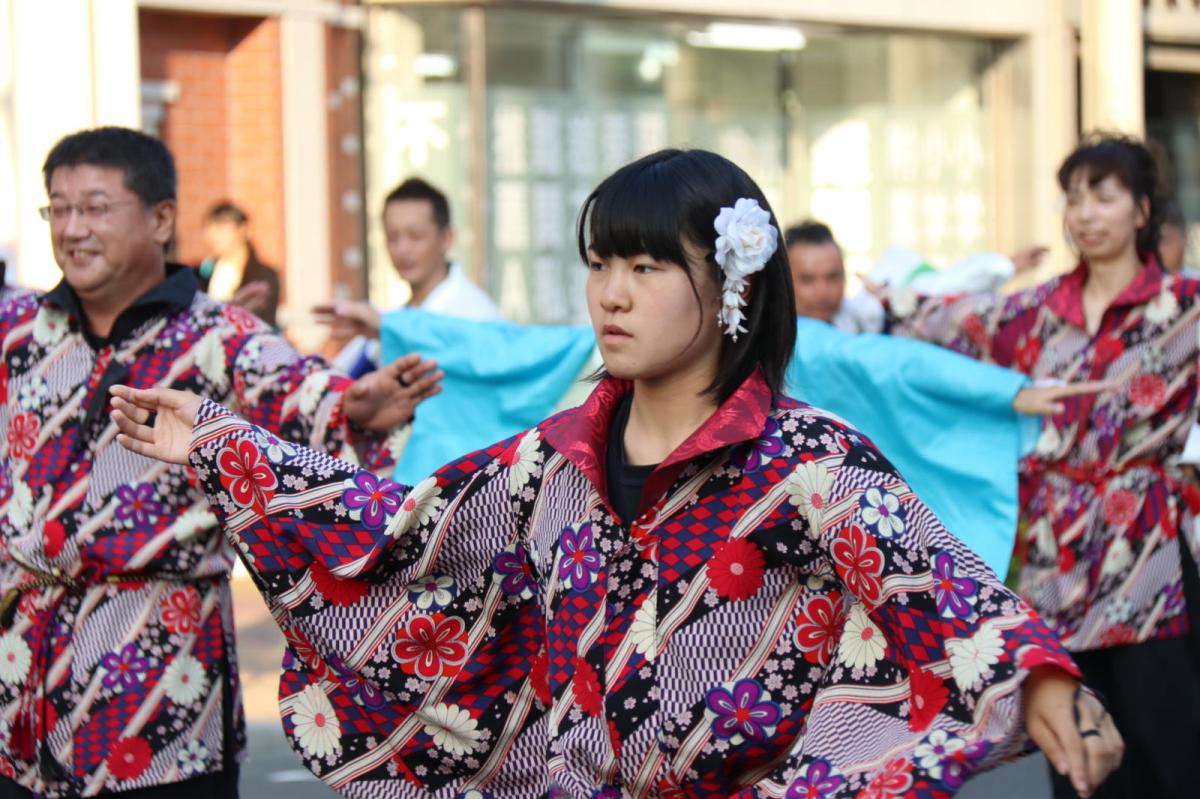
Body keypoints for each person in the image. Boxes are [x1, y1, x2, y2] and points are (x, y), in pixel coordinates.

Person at [111, 149, 1120, 798]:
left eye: (646, 268)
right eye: (601, 265)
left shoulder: (807, 461)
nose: (612, 295)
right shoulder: (554, 456)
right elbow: (400, 525)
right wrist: (220, 440)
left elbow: (935, 584)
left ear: (729, 285)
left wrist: (1037, 681)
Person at [0, 126, 441, 798]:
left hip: (157, 683)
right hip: (20, 680)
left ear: (160, 217)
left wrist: (358, 404)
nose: (72, 228)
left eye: (94, 207)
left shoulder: (219, 336)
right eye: (57, 208)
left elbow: (304, 398)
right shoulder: (18, 331)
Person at [884, 133, 1199, 798]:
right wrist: (949, 277)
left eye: (1104, 196)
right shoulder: (1033, 312)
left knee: (1170, 743)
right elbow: (923, 324)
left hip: (1152, 556)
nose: (1084, 213)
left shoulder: (1186, 307)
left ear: (1142, 210)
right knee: (1077, 752)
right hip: (1059, 554)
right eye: (1074, 198)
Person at [320, 178, 501, 376]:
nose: (402, 249)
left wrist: (383, 328)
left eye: (415, 236)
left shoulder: (475, 314)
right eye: (393, 237)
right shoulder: (388, 320)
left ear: (446, 238)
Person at [786, 220, 1048, 333]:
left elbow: (939, 287)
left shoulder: (862, 317)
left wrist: (1003, 266)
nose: (822, 291)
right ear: (786, 281)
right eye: (808, 280)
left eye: (833, 277)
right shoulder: (767, 339)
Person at [197, 201, 282, 327]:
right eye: (210, 228)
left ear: (243, 229)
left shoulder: (263, 276)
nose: (214, 235)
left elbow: (264, 322)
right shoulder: (203, 271)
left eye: (221, 227)